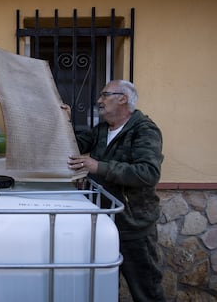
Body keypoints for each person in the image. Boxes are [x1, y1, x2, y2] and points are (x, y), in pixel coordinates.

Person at [63, 79, 166, 301]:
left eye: (105, 95)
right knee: (103, 288)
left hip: (133, 226)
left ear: (123, 98)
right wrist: (65, 122)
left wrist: (98, 166)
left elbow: (148, 172)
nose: (99, 100)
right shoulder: (101, 130)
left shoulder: (145, 130)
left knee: (146, 291)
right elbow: (73, 147)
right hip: (103, 222)